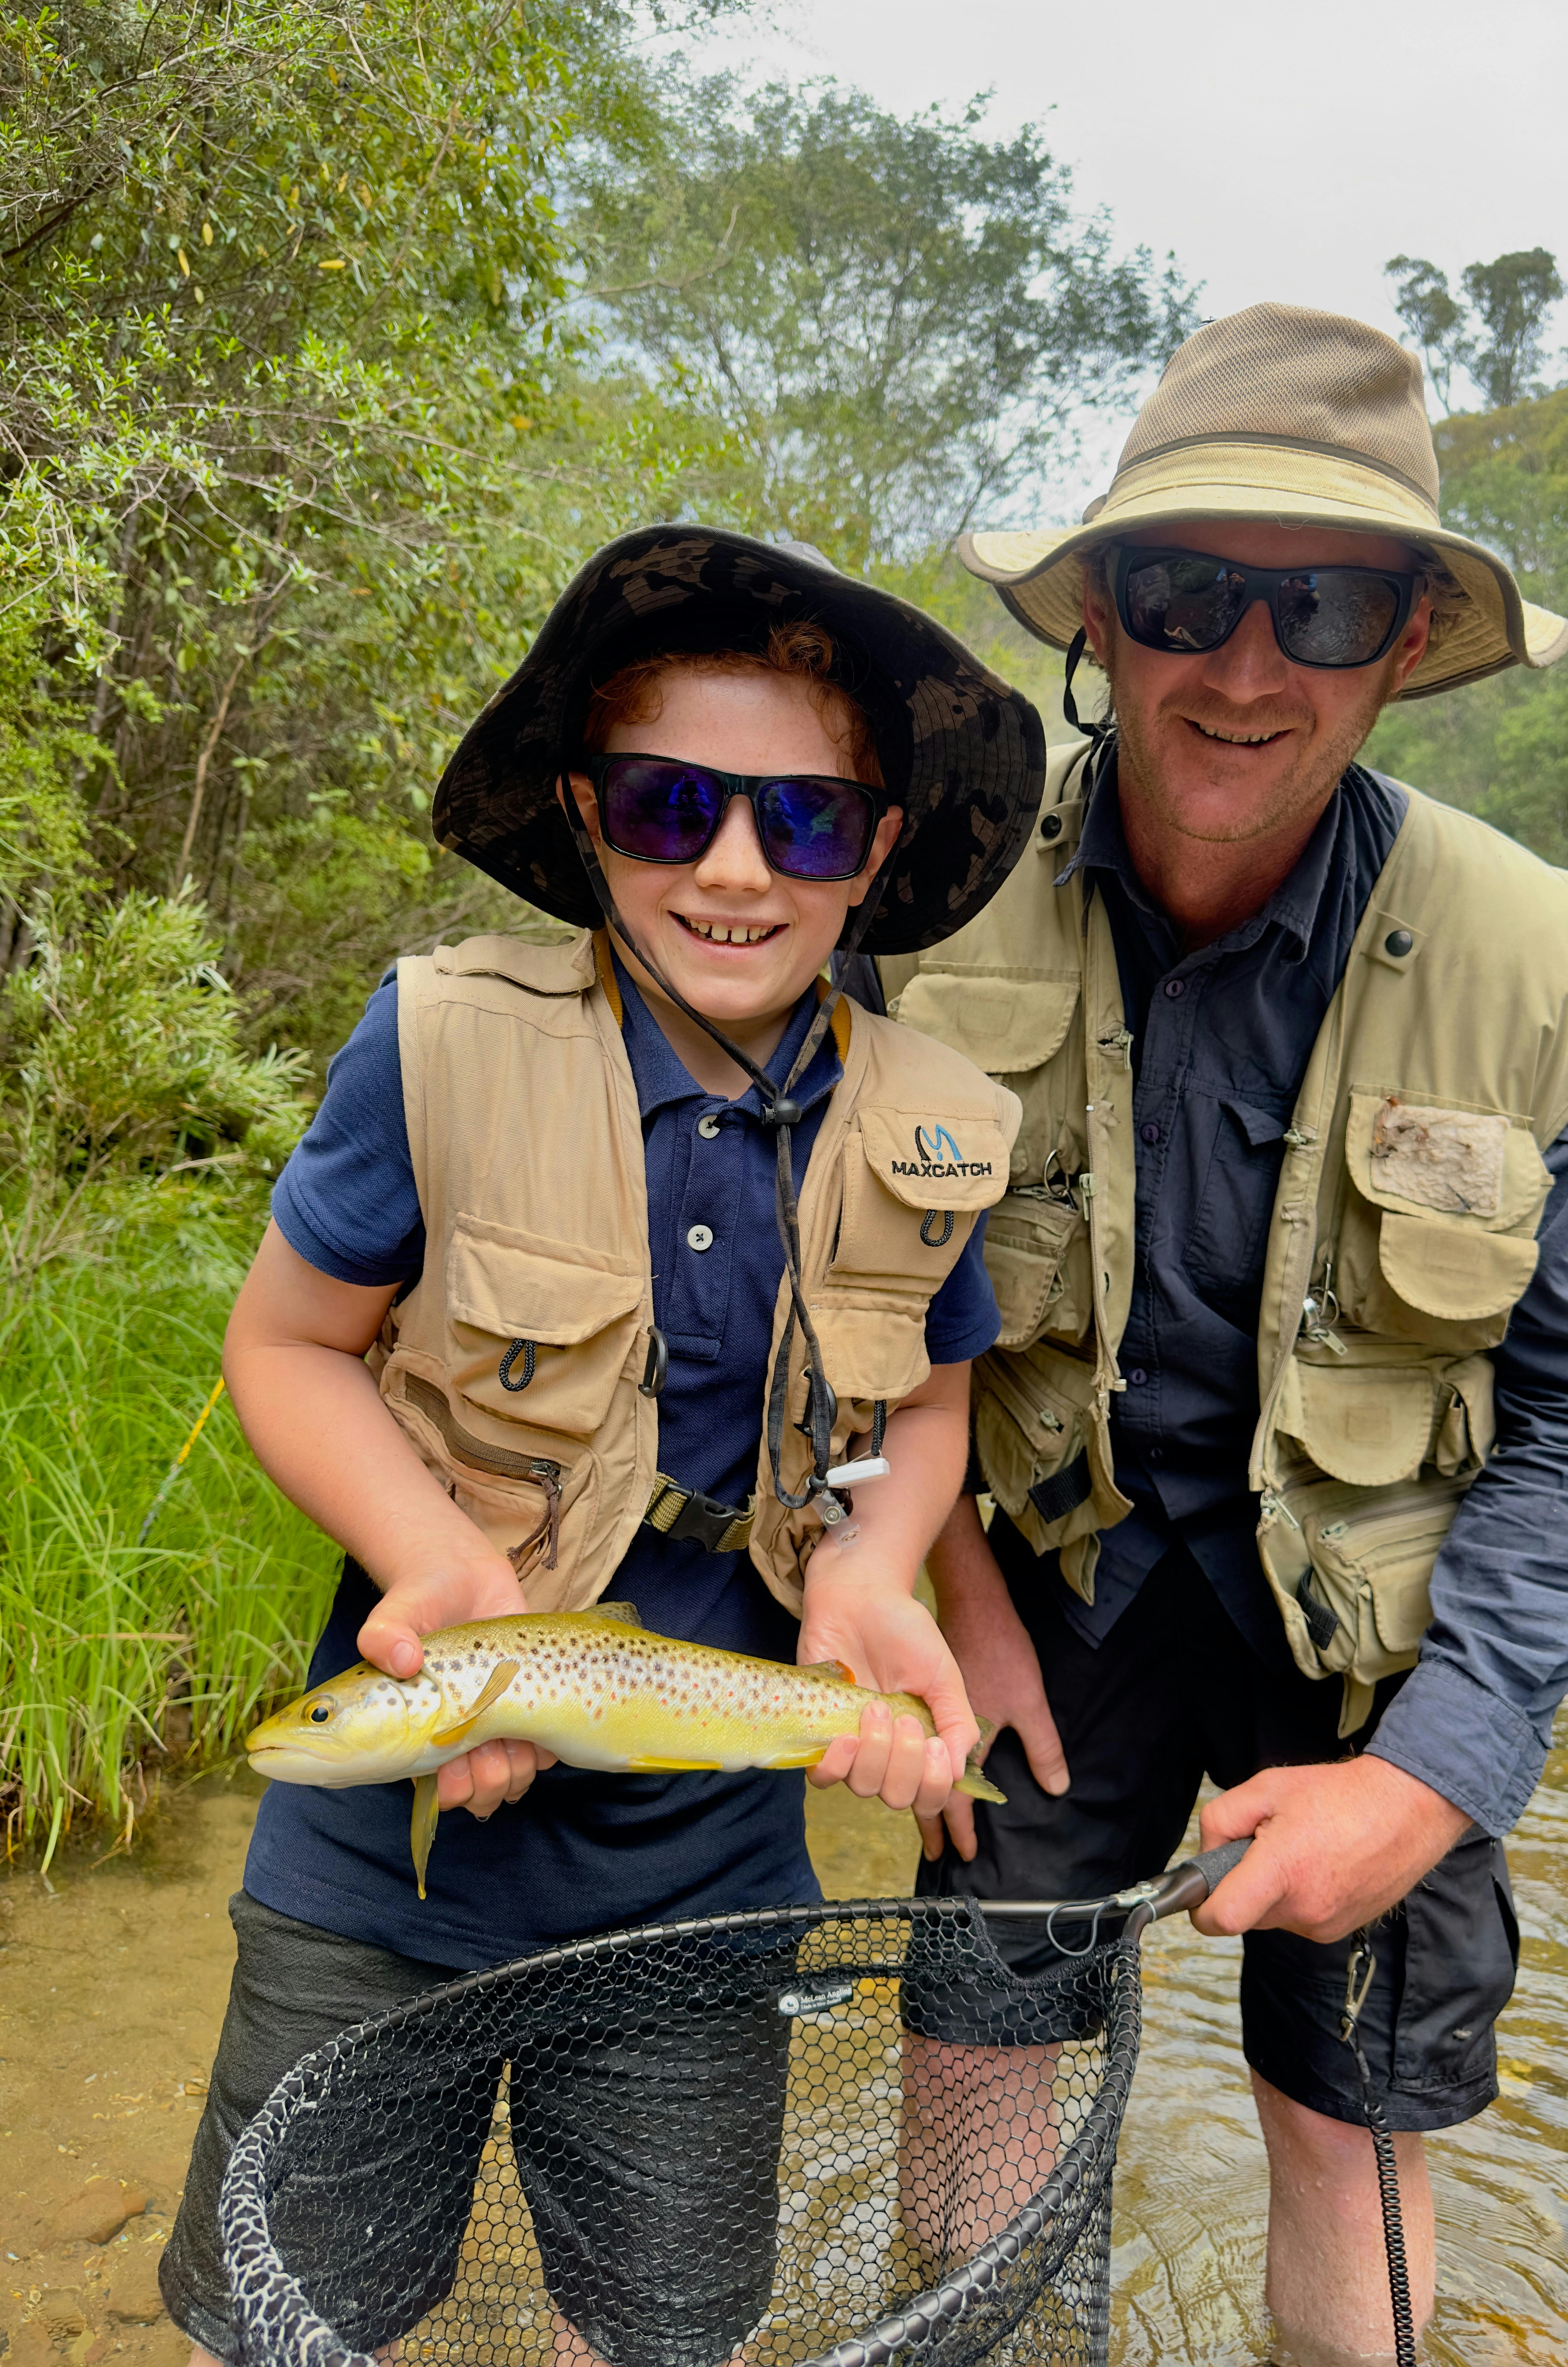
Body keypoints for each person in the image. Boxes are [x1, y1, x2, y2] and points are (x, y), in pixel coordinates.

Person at [879, 304, 1568, 2364]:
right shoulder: (922, 904)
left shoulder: (1544, 972)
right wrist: (940, 1573)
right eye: (1188, 595)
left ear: (1404, 641)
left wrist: (1434, 1777)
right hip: (1044, 1581)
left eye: (1320, 605)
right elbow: (837, 1308)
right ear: (1108, 618)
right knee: (981, 2040)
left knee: (1353, 2122)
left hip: (1381, 1635)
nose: (1246, 669)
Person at [158, 527, 1046, 2367]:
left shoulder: (942, 1123)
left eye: (803, 824)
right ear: (587, 814)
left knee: (654, 2330)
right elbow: (290, 1345)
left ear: (877, 849)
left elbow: (925, 1404)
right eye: (670, 805)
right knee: (291, 2317)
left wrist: (879, 1571)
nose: (734, 869)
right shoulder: (436, 1043)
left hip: (710, 1880)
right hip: (376, 1869)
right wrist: (441, 1571)